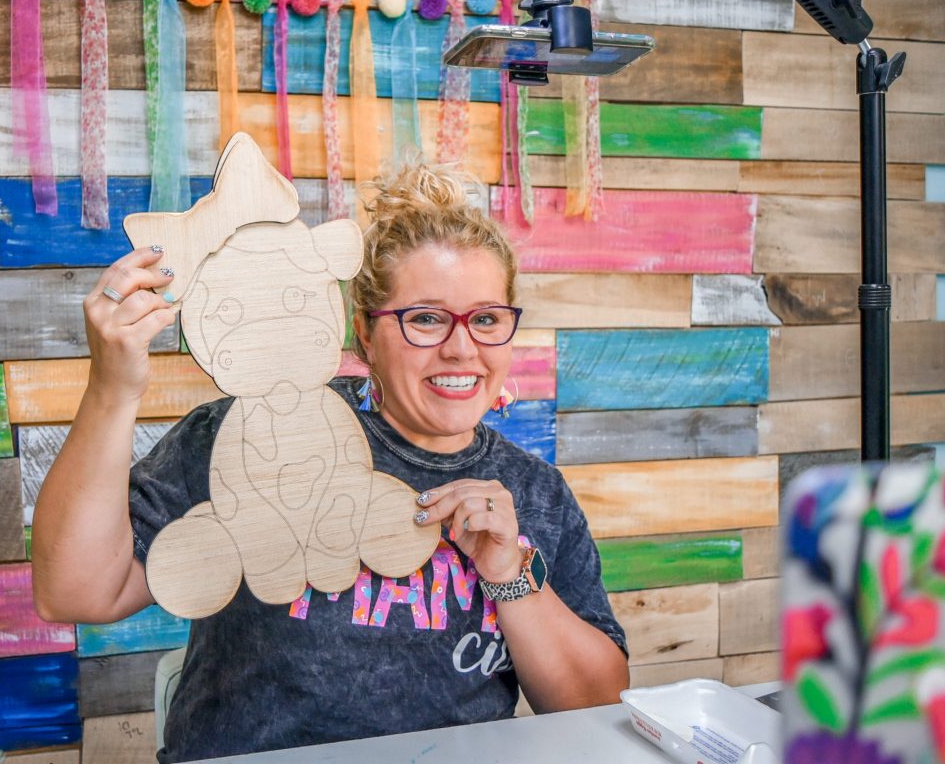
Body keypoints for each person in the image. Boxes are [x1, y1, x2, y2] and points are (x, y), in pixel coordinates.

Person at [31, 161, 629, 763]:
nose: (461, 347)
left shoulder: (535, 493)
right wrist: (112, 388)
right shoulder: (245, 430)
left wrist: (509, 572)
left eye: (486, 319)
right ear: (365, 335)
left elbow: (598, 704)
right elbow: (76, 593)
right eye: (424, 317)